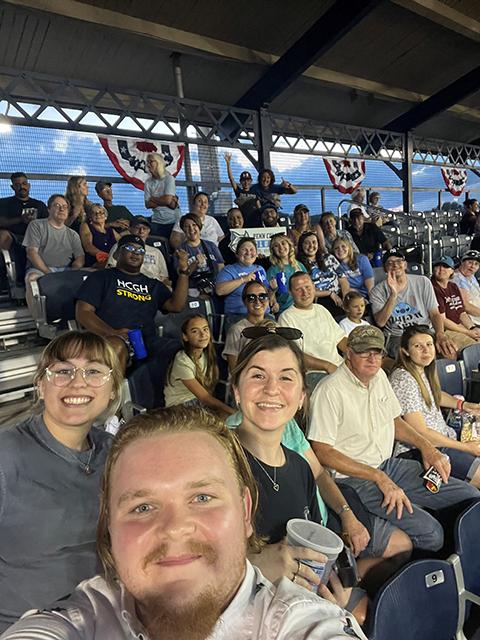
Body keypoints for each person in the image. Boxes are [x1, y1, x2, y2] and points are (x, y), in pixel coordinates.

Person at [1, 406, 368, 640]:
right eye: (143, 507)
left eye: (202, 498)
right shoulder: (80, 620)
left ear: (245, 513)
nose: (175, 527)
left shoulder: (303, 624)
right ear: (110, 528)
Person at [230, 332, 370, 622]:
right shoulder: (214, 460)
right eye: (257, 376)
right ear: (236, 391)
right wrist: (252, 564)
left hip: (300, 614)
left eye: (286, 378)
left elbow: (315, 552)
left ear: (302, 397)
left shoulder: (300, 466)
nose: (271, 389)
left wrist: (332, 591)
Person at [308, 325, 479, 557]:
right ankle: (432, 575)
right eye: (363, 351)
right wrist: (378, 477)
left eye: (377, 352)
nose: (372, 358)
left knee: (470, 496)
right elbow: (322, 451)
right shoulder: (329, 391)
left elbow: (395, 421)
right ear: (348, 353)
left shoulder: (379, 376)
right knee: (432, 534)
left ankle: (465, 558)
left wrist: (426, 447)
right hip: (355, 479)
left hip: (389, 466)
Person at [0, 330, 123, 632]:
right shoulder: (6, 455)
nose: (78, 382)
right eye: (63, 371)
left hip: (112, 619)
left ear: (112, 390)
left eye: (94, 371)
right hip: (31, 627)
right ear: (41, 385)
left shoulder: (116, 451)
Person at [75, 233, 189, 370]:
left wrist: (183, 272)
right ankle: (113, 391)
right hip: (110, 338)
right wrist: (111, 332)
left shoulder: (152, 284)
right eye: (129, 248)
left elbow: (176, 306)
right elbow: (83, 312)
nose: (135, 253)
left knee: (184, 350)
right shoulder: (101, 277)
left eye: (140, 251)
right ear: (117, 254)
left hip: (146, 340)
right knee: (115, 347)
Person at [390, 325, 480, 487]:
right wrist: (466, 448)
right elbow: (421, 432)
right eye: (418, 346)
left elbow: (435, 395)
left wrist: (464, 404)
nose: (426, 350)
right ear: (405, 351)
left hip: (444, 439)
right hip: (424, 450)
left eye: (429, 344)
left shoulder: (423, 369)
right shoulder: (403, 379)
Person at [370, 248, 457, 359]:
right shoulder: (377, 291)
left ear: (405, 265)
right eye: (390, 263)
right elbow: (380, 322)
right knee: (415, 356)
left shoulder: (423, 281)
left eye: (399, 261)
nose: (395, 265)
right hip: (398, 336)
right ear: (385, 269)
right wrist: (393, 295)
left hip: (425, 331)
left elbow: (435, 313)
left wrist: (440, 334)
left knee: (449, 352)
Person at [23, 194, 85, 313]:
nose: (61, 209)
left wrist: (74, 270)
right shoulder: (36, 225)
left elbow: (80, 258)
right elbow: (31, 253)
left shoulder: (73, 234)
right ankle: (40, 322)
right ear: (49, 209)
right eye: (57, 205)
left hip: (66, 270)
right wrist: (48, 273)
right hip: (40, 269)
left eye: (65, 206)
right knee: (31, 280)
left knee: (94, 275)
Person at [164, 314, 234, 417]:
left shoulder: (207, 354)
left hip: (199, 402)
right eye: (195, 331)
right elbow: (205, 398)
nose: (203, 335)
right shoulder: (182, 361)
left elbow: (209, 392)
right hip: (179, 407)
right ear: (185, 337)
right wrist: (234, 413)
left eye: (205, 329)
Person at [278, 272, 347, 374]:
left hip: (338, 367)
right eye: (298, 289)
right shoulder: (287, 318)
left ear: (314, 287)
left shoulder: (321, 309)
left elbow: (340, 339)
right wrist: (327, 366)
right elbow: (295, 355)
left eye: (307, 287)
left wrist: (357, 354)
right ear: (290, 292)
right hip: (313, 373)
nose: (305, 293)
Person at [0, 172, 48, 281]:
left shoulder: (39, 205)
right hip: (14, 237)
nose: (22, 187)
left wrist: (35, 223)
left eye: (24, 183)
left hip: (36, 238)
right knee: (3, 235)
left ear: (29, 185)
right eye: (18, 185)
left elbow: (48, 223)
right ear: (12, 187)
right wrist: (20, 219)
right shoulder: (4, 203)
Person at [431, 255, 480, 350]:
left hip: (460, 327)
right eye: (437, 266)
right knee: (475, 348)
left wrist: (472, 328)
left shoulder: (453, 286)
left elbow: (462, 312)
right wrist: (467, 332)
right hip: (446, 330)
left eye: (445, 266)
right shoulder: (432, 288)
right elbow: (442, 320)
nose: (441, 269)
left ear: (452, 270)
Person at [297, 230, 349, 319]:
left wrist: (345, 298)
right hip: (318, 298)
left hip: (339, 295)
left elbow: (343, 280)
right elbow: (306, 290)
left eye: (314, 242)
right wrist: (330, 293)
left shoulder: (329, 257)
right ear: (301, 246)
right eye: (307, 243)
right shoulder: (298, 264)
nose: (311, 246)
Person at [222, 281, 270, 371]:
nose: (257, 301)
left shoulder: (274, 327)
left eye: (262, 297)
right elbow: (234, 370)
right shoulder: (237, 330)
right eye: (251, 298)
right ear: (245, 302)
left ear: (268, 300)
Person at [107, 215, 170, 284]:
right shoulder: (120, 246)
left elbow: (164, 277)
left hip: (153, 286)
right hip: (128, 284)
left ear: (149, 230)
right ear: (130, 229)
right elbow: (111, 268)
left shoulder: (156, 252)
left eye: (144, 228)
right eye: (137, 228)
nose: (141, 231)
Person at [215, 237, 268, 317]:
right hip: (239, 315)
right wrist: (243, 279)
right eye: (244, 249)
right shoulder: (229, 270)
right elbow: (219, 291)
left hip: (263, 315)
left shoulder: (260, 269)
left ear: (256, 253)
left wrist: (273, 291)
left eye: (251, 249)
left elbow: (266, 293)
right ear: (237, 254)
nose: (248, 252)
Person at [174, 213, 224, 298]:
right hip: (192, 289)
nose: (191, 229)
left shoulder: (211, 245)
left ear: (199, 227)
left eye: (194, 225)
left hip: (214, 286)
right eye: (187, 226)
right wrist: (195, 265)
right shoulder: (180, 250)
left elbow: (221, 266)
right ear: (183, 229)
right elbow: (180, 275)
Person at [143, 152, 180, 238]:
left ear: (158, 162)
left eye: (151, 161)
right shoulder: (148, 183)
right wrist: (166, 201)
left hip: (173, 221)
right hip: (157, 222)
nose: (148, 164)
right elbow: (147, 204)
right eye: (147, 162)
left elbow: (167, 200)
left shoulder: (169, 178)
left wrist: (152, 198)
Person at [267, 234, 306, 314]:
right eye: (276, 246)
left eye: (283, 243)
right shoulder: (272, 270)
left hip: (302, 308)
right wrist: (274, 303)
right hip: (284, 311)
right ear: (273, 250)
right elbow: (269, 297)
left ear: (289, 245)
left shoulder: (299, 265)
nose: (281, 247)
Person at [79, 203, 119, 268]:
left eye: (101, 212)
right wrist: (107, 257)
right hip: (95, 263)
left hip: (112, 262)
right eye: (94, 213)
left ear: (105, 216)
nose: (98, 214)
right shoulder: (86, 226)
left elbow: (122, 242)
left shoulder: (111, 231)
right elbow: (88, 246)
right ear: (90, 217)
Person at [223, 152, 258, 220]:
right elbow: (231, 179)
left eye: (248, 180)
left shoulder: (255, 192)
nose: (246, 182)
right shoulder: (238, 191)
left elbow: (258, 206)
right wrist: (228, 163)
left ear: (251, 181)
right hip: (243, 219)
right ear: (241, 182)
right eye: (244, 180)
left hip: (255, 219)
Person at [452, 250, 480, 326]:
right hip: (471, 321)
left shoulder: (471, 276)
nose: (472, 266)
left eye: (476, 264)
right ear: (462, 262)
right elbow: (465, 306)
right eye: (470, 262)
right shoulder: (457, 279)